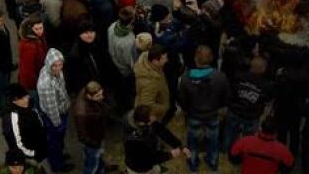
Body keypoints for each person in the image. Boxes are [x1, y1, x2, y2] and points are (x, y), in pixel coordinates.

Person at [179, 45, 230, 173]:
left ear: (195, 58)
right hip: (213, 115)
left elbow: (182, 100)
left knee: (193, 142)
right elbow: (226, 97)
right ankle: (213, 163)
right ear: (211, 58)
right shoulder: (220, 76)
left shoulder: (186, 77)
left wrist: (186, 110)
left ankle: (193, 164)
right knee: (213, 141)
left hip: (194, 115)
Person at [36, 49, 72, 172]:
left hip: (61, 109)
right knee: (54, 142)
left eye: (60, 64)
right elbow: (51, 109)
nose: (58, 68)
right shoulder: (46, 84)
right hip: (54, 117)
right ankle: (58, 166)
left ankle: (59, 156)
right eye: (55, 65)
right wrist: (58, 124)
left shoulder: (53, 71)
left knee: (57, 141)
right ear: (49, 64)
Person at [124, 104, 188, 174]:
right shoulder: (135, 141)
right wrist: (170, 155)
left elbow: (163, 132)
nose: (155, 118)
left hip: (148, 161)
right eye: (152, 119)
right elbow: (149, 159)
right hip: (140, 168)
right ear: (144, 123)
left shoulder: (144, 119)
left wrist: (179, 145)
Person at [3, 84, 47, 170]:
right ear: (14, 101)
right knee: (36, 167)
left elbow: (37, 115)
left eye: (26, 95)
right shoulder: (13, 120)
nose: (27, 98)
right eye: (22, 98)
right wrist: (33, 153)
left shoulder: (27, 104)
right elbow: (17, 144)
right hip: (32, 152)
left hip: (40, 141)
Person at [229, 118, 295, 174]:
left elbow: (233, 157)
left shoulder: (245, 141)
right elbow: (289, 166)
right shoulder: (282, 149)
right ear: (275, 132)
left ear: (261, 129)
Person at [71, 81, 110, 174]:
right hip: (92, 144)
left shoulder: (88, 93)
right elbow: (82, 136)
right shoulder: (82, 113)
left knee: (99, 159)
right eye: (98, 96)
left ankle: (101, 170)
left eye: (101, 94)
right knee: (91, 166)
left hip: (97, 136)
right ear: (89, 96)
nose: (102, 97)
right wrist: (95, 144)